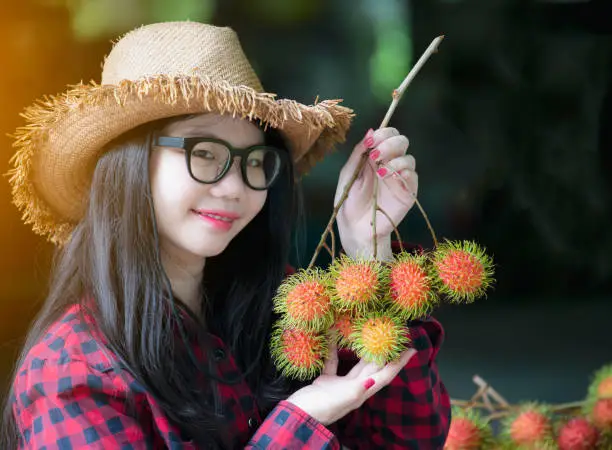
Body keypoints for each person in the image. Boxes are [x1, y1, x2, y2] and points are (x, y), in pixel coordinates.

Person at [1, 21, 450, 449]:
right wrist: (300, 426)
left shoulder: (281, 309)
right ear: (128, 165)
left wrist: (366, 248)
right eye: (206, 152)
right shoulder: (74, 374)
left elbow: (407, 439)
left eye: (254, 161)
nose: (235, 187)